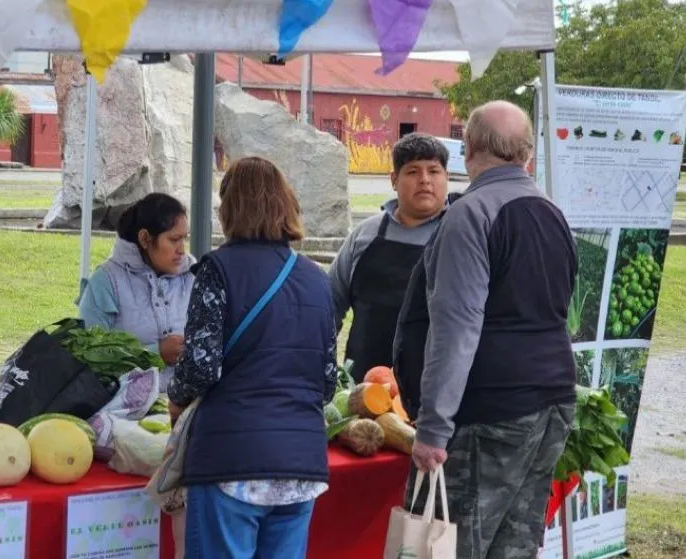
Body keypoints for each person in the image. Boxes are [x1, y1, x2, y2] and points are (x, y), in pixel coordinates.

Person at [392, 100, 577, 557]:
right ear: (526, 153)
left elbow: (457, 328)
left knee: (454, 545)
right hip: (554, 400)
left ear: (468, 149)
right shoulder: (553, 213)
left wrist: (433, 428)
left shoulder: (471, 215)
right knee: (516, 545)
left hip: (492, 410)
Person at [167, 156, 338, 558]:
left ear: (229, 209)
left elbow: (200, 366)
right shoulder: (316, 278)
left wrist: (176, 397)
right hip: (300, 465)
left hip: (232, 461)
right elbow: (327, 380)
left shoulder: (217, 269)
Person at [328, 133, 455, 381]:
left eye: (434, 171)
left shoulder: (462, 236)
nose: (425, 180)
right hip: (365, 388)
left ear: (447, 178)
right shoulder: (364, 235)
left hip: (439, 393)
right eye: (413, 172)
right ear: (394, 180)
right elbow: (328, 306)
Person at [77, 193, 195, 390]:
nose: (182, 250)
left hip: (188, 402)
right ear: (145, 238)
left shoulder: (193, 274)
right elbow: (88, 356)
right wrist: (154, 354)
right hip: (122, 409)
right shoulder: (106, 281)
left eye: (184, 239)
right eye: (174, 240)